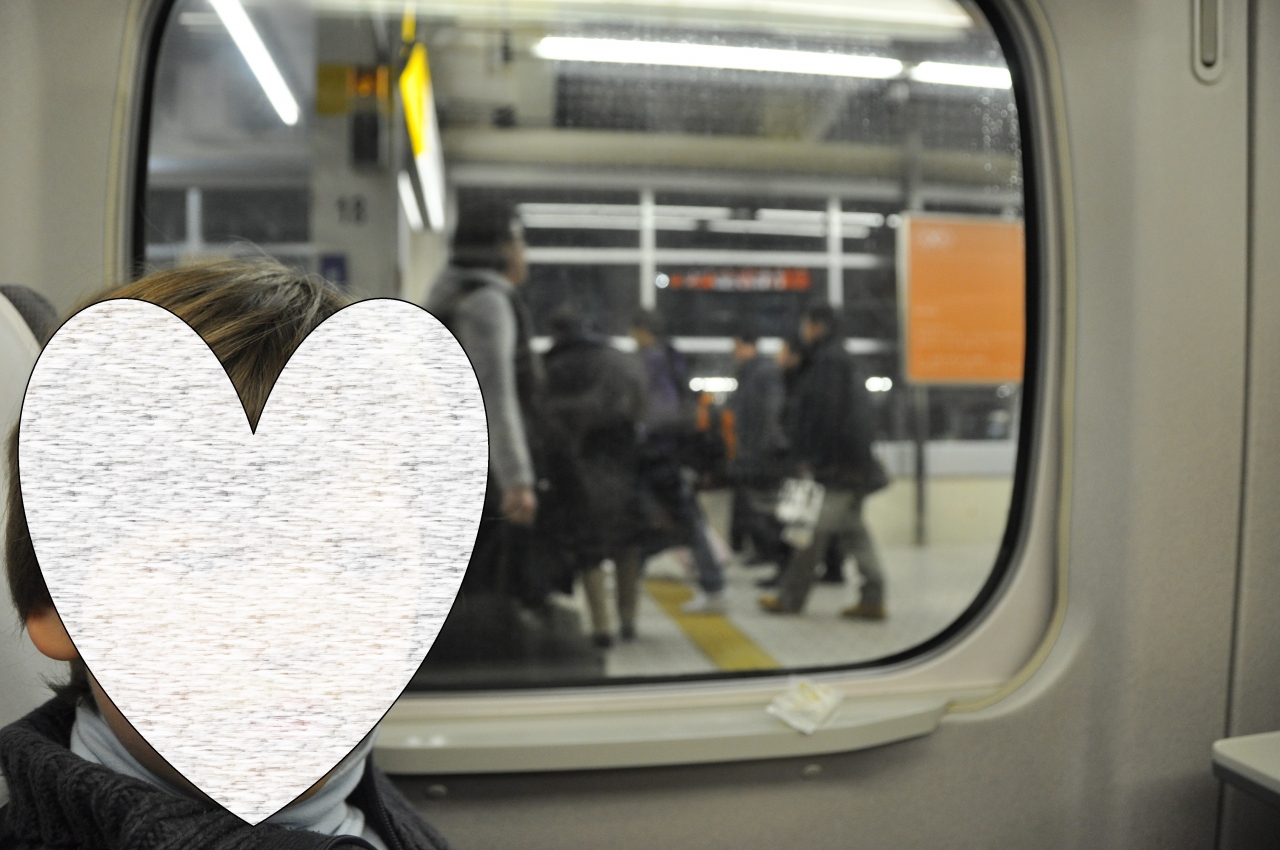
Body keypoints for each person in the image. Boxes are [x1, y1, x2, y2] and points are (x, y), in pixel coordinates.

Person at [0, 260, 452, 849]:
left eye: (363, 563)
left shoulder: (371, 808)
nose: (300, 632)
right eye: (209, 564)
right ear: (54, 603)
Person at [425, 199, 546, 609]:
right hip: (482, 476)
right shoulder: (486, 303)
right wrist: (517, 479)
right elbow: (493, 393)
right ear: (500, 247)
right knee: (486, 592)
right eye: (518, 241)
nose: (523, 252)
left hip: (448, 467)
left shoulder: (447, 294)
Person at [760, 302, 889, 620]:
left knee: (810, 533)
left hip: (837, 466)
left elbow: (823, 415)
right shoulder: (837, 359)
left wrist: (811, 458)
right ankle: (873, 597)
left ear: (817, 326)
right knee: (854, 531)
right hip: (851, 464)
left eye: (806, 324)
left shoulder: (828, 362)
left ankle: (791, 598)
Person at [542, 306, 647, 645]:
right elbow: (641, 409)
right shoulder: (620, 361)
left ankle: (602, 627)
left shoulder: (552, 366)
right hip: (623, 464)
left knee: (589, 548)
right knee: (627, 545)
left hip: (576, 468)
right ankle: (628, 619)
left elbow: (543, 418)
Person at [629, 309, 726, 615]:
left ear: (642, 331)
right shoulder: (672, 357)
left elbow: (658, 411)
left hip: (657, 453)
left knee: (664, 519)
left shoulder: (653, 360)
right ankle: (631, 579)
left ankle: (713, 587)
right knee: (667, 519)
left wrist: (641, 433)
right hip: (671, 453)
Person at [725, 323, 788, 570]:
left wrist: (767, 445)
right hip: (749, 449)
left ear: (747, 346)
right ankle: (762, 549)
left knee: (762, 505)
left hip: (760, 451)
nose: (734, 353)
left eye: (737, 347)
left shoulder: (763, 373)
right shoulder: (749, 373)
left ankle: (770, 550)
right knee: (752, 504)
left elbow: (770, 413)